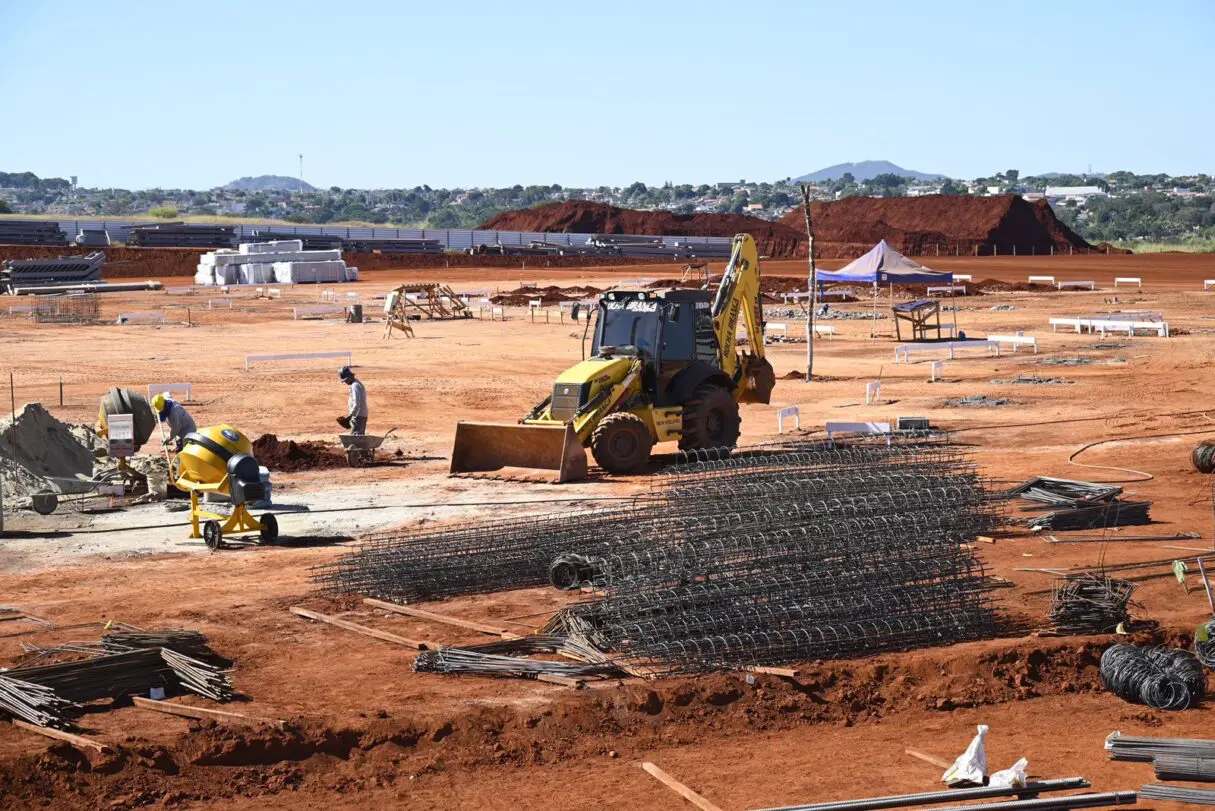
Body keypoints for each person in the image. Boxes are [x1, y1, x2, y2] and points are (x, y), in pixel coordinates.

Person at [338, 366, 368, 435]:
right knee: (358, 436)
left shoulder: (355, 386)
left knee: (355, 437)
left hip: (358, 416)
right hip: (359, 415)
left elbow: (357, 402)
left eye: (345, 380)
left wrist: (351, 415)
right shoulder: (357, 383)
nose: (345, 382)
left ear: (349, 377)